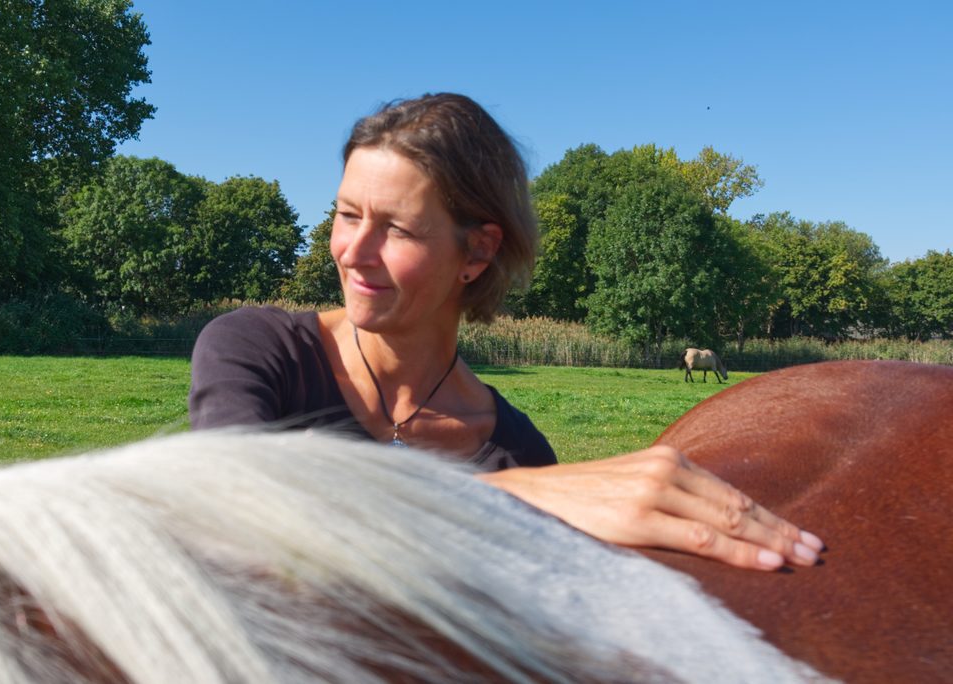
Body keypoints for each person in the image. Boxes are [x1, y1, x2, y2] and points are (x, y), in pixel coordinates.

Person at [189, 93, 823, 571]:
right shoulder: (256, 350)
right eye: (347, 214)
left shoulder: (518, 447)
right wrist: (520, 497)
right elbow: (231, 505)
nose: (353, 251)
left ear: (477, 252)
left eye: (398, 229)